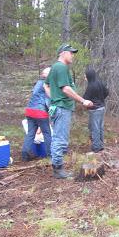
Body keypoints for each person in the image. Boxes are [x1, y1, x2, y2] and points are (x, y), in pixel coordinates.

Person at [44, 44, 93, 179]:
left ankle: (57, 167)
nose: (73, 55)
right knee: (60, 140)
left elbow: (46, 85)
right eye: (71, 53)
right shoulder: (61, 67)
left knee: (58, 138)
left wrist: (53, 97)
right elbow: (66, 89)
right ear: (63, 53)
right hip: (61, 108)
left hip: (57, 107)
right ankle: (58, 170)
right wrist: (83, 101)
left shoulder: (55, 67)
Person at [21, 67, 52, 162]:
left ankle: (25, 154)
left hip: (29, 110)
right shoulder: (47, 84)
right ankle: (50, 155)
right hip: (40, 111)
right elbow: (49, 99)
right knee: (47, 133)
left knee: (30, 133)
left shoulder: (38, 83)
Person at [83, 67, 109, 153]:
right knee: (100, 127)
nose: (85, 77)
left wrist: (93, 103)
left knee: (95, 128)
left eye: (86, 75)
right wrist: (101, 100)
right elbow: (106, 92)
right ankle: (100, 145)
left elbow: (85, 99)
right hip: (102, 108)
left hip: (95, 110)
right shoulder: (99, 83)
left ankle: (96, 147)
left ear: (89, 76)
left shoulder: (90, 86)